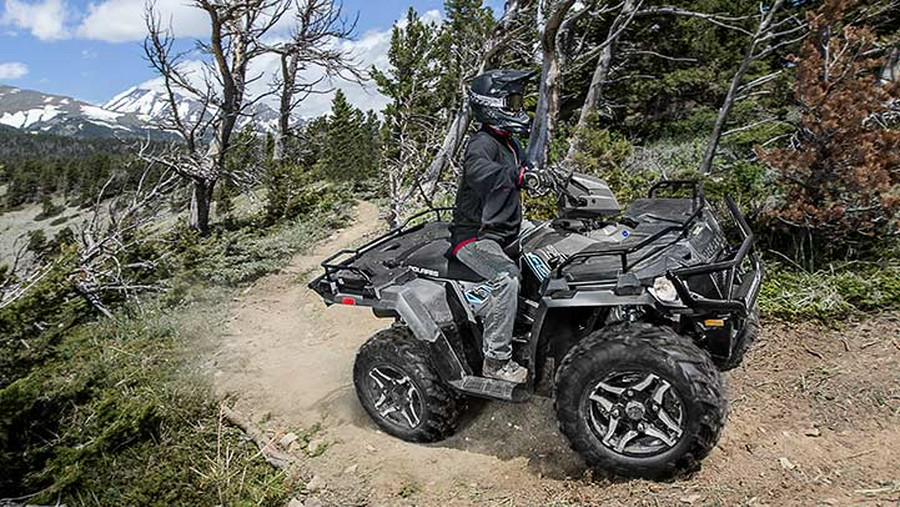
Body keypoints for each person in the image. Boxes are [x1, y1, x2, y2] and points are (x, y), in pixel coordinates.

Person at [449, 69, 536, 384]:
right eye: (511, 102)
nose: (517, 108)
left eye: (518, 101)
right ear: (491, 104)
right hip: (476, 237)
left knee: (558, 241)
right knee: (507, 278)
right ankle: (496, 361)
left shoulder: (510, 142)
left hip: (509, 231)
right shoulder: (481, 144)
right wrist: (517, 177)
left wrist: (550, 177)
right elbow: (480, 173)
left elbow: (529, 169)